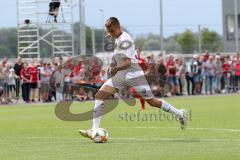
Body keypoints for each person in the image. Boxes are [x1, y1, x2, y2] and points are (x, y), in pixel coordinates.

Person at [79, 17, 187, 139]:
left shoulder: (125, 40)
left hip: (133, 73)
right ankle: (94, 130)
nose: (110, 34)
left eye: (112, 31)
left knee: (152, 102)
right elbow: (119, 55)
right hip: (122, 75)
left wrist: (115, 69)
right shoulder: (118, 37)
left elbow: (129, 62)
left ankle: (179, 114)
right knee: (100, 95)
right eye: (108, 32)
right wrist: (115, 64)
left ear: (118, 27)